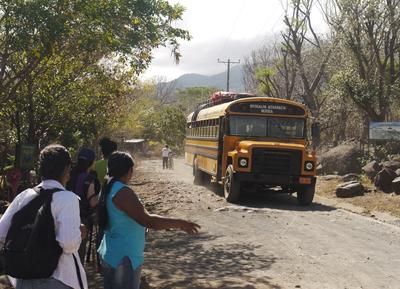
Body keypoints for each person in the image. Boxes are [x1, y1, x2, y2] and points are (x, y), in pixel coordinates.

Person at [98, 151, 200, 289]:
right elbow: (148, 220)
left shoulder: (108, 188)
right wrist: (180, 223)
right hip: (124, 257)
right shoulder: (123, 192)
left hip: (112, 253)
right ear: (129, 170)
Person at [0, 145, 88, 289]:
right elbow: (69, 244)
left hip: (23, 280)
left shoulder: (24, 196)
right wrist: (79, 232)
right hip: (59, 279)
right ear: (67, 169)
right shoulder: (67, 198)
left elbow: (2, 234)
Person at [67, 148, 100, 264]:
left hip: (65, 216)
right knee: (78, 253)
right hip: (81, 219)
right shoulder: (89, 179)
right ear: (91, 162)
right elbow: (93, 202)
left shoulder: (68, 175)